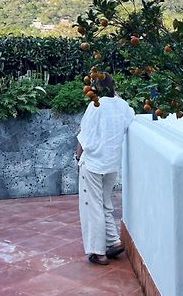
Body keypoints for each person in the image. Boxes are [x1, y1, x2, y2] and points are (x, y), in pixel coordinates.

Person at [75, 73, 135, 265]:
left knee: (92, 206)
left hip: (93, 163)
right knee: (105, 203)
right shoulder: (123, 105)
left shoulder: (96, 106)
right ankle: (113, 241)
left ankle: (98, 252)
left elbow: (85, 135)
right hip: (111, 163)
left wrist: (78, 156)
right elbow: (129, 121)